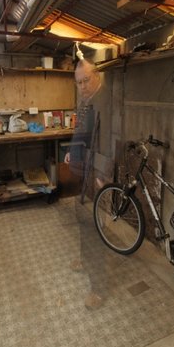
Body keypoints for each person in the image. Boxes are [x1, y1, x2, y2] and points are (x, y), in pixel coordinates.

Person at [65, 58, 107, 310]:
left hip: (97, 174)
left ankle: (99, 289)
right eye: (78, 82)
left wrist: (106, 174)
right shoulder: (85, 101)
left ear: (97, 76)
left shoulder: (105, 102)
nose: (82, 86)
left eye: (86, 80)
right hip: (82, 168)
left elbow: (113, 139)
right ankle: (83, 259)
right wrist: (71, 151)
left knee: (95, 228)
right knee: (82, 217)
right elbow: (79, 130)